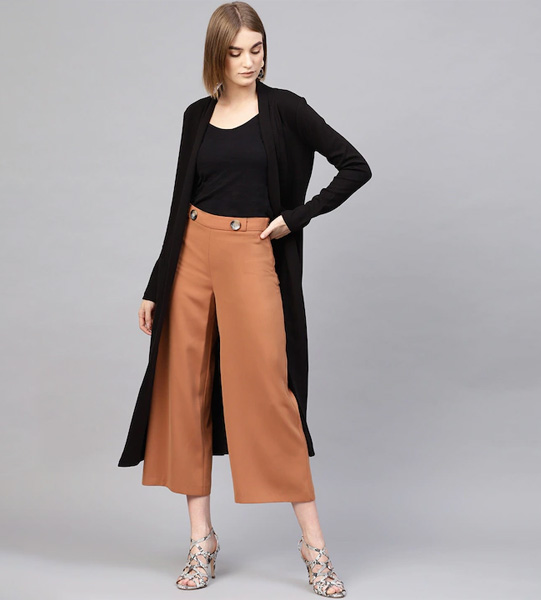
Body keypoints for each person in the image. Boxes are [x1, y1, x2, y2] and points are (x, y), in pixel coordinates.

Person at [118, 2, 372, 596]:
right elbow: (179, 203)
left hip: (252, 250)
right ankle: (201, 541)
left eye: (256, 49)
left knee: (269, 393)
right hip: (192, 254)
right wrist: (156, 284)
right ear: (217, 55)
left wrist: (295, 217)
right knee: (185, 392)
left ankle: (314, 547)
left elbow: (354, 166)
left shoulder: (285, 109)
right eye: (236, 52)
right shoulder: (196, 116)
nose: (249, 62)